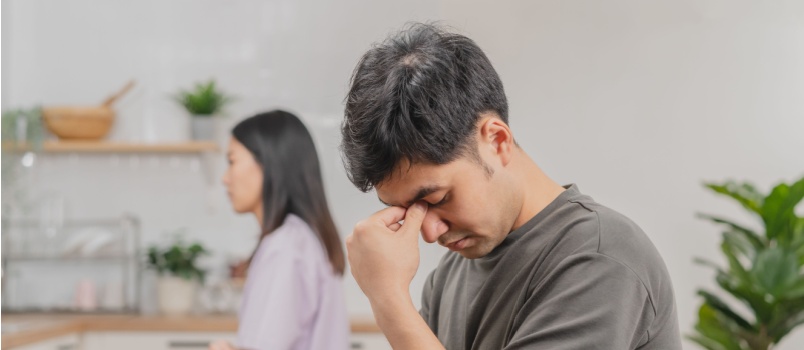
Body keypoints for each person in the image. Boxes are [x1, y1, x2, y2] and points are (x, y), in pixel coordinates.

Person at [341, 23, 681, 349]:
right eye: (406, 211)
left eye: (437, 198)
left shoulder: (602, 258)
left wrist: (387, 297)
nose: (429, 233)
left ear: (497, 140)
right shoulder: (451, 274)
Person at [211, 110, 349, 350]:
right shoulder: (300, 239)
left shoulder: (286, 247)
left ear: (267, 161)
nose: (225, 178)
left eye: (232, 161)